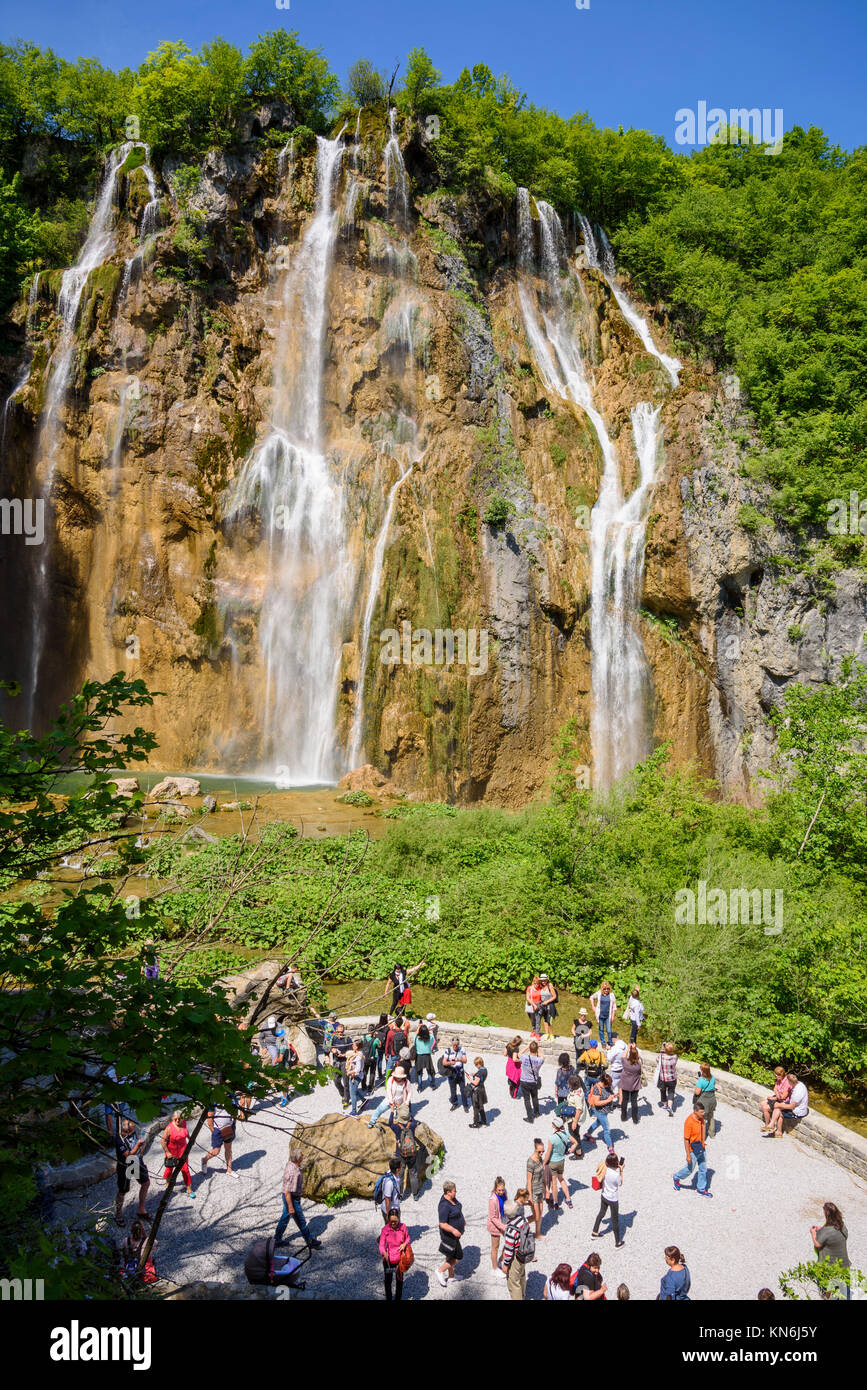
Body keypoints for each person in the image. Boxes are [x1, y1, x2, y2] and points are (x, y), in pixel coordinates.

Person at [275, 1146, 321, 1248]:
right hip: (291, 1199)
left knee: (285, 1218)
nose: (303, 1156)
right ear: (298, 1158)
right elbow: (287, 1192)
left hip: (291, 1197)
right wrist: (291, 1206)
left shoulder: (291, 1164)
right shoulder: (293, 1172)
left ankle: (277, 1240)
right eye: (302, 1155)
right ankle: (309, 1241)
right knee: (300, 1220)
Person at [672, 1101, 712, 1197]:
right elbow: (686, 1140)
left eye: (703, 1112)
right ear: (695, 1111)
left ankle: (701, 1189)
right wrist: (688, 1155)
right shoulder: (689, 1122)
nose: (703, 1114)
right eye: (701, 1112)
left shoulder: (701, 1119)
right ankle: (676, 1177)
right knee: (689, 1170)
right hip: (693, 1150)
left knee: (703, 1169)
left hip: (701, 1148)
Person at [115, 1116, 150, 1226]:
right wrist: (138, 1146)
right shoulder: (119, 1140)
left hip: (137, 1162)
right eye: (133, 1128)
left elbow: (136, 1145)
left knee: (146, 1183)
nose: (135, 1130)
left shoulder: (133, 1133)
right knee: (123, 1191)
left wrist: (140, 1148)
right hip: (125, 1166)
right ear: (127, 1130)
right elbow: (128, 1155)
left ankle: (141, 1209)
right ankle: (118, 1214)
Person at [500, 1199, 531, 1300]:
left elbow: (509, 1251)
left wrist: (505, 1265)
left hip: (516, 1258)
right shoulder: (524, 1220)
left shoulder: (511, 1230)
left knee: (513, 1283)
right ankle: (523, 1296)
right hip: (524, 1253)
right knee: (521, 1275)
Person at [592, 1151, 625, 1247]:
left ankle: (594, 1232)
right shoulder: (615, 1175)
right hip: (613, 1198)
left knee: (601, 1213)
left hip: (604, 1195)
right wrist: (621, 1170)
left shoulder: (605, 1169)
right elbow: (620, 1183)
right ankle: (618, 1242)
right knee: (615, 1220)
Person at [811, 1203, 850, 1283]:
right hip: (843, 1264)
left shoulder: (826, 1231)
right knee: (840, 1287)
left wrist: (813, 1233)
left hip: (830, 1265)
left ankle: (827, 1295)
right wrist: (822, 1228)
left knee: (828, 1287)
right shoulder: (842, 1226)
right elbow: (841, 1234)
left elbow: (817, 1244)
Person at [436, 1180, 465, 1288]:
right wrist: (453, 1230)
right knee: (458, 1256)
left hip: (455, 1235)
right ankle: (440, 1271)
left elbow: (458, 1208)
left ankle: (451, 1276)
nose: (455, 1192)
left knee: (450, 1255)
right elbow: (442, 1224)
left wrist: (463, 1220)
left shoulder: (452, 1199)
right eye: (454, 1191)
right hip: (449, 1236)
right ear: (448, 1192)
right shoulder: (444, 1206)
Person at [160, 1111, 194, 1198]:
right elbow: (163, 1141)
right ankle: (168, 1182)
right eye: (176, 1119)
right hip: (172, 1152)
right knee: (169, 1169)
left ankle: (188, 1187)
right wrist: (167, 1152)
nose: (178, 1120)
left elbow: (186, 1133)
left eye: (180, 1118)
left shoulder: (184, 1123)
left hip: (183, 1151)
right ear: (173, 1119)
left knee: (185, 1169)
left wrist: (190, 1138)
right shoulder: (169, 1128)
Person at [379, 1207, 410, 1301]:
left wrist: (404, 1244)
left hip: (400, 1261)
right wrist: (383, 1252)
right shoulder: (385, 1230)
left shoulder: (403, 1227)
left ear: (399, 1219)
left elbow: (408, 1238)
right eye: (391, 1221)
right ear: (388, 1219)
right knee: (388, 1281)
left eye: (395, 1221)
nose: (393, 1223)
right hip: (388, 1261)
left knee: (399, 1281)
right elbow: (381, 1245)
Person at [544, 1119, 576, 1209]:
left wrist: (543, 1163)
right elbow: (575, 1143)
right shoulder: (566, 1134)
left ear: (555, 1126)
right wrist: (569, 1152)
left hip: (553, 1162)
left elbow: (548, 1153)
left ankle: (555, 1202)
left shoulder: (552, 1138)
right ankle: (568, 1200)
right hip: (561, 1160)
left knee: (554, 1183)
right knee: (561, 1179)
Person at [393, 1105, 424, 1199]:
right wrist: (409, 1115)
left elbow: (390, 1122)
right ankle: (415, 1195)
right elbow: (413, 1120)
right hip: (412, 1153)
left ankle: (401, 1194)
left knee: (400, 1175)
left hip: (401, 1154)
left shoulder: (396, 1127)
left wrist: (391, 1111)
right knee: (413, 1174)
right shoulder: (413, 1125)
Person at [202, 1102, 237, 1176]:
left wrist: (234, 1124)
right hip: (218, 1130)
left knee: (228, 1148)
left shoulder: (232, 1097)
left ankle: (229, 1170)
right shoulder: (215, 1099)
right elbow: (210, 1116)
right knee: (216, 1151)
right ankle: (204, 1160)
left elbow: (235, 1111)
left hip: (229, 1127)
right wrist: (213, 1130)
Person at [585, 1071, 616, 1149]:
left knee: (598, 1122)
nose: (609, 1086)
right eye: (608, 1085)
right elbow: (597, 1103)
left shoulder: (606, 1086)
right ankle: (610, 1147)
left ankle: (588, 1133)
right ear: (603, 1082)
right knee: (606, 1129)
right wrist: (608, 1100)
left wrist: (613, 1096)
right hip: (599, 1111)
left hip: (605, 1110)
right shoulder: (597, 1088)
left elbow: (608, 1094)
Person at [121, 1218, 157, 1284]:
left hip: (127, 1271)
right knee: (149, 1256)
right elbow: (155, 1243)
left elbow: (124, 1256)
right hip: (145, 1274)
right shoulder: (147, 1241)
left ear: (131, 1230)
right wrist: (145, 1235)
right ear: (142, 1230)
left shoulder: (125, 1241)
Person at [526, 1138, 548, 1240]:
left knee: (540, 1213)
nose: (542, 1153)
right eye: (539, 1151)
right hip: (533, 1191)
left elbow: (543, 1176)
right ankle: (520, 1224)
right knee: (536, 1216)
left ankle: (538, 1233)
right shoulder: (530, 1162)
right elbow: (529, 1180)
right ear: (535, 1150)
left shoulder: (540, 1159)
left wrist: (547, 1189)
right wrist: (530, 1195)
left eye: (543, 1151)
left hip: (540, 1189)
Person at [487, 1176, 509, 1278]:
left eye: (502, 1190)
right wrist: (503, 1227)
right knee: (495, 1247)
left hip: (504, 1220)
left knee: (509, 1241)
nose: (501, 1192)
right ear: (495, 1189)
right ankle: (494, 1269)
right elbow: (493, 1217)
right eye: (499, 1190)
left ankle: (501, 1260)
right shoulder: (492, 1200)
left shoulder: (505, 1193)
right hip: (495, 1225)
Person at [760, 1066, 793, 1130]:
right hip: (777, 1098)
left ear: (782, 1074)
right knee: (762, 1103)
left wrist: (774, 1098)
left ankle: (768, 1125)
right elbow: (775, 1088)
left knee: (765, 1107)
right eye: (776, 1074)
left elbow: (783, 1097)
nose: (776, 1076)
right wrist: (777, 1093)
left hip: (783, 1101)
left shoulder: (787, 1083)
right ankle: (768, 1124)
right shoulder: (779, 1079)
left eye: (778, 1075)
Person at [328, 1022, 352, 1107]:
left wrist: (344, 1055)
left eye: (342, 1032)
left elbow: (351, 1052)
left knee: (346, 1082)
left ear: (343, 1031)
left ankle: (347, 1100)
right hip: (336, 1062)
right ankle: (343, 1094)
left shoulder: (348, 1039)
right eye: (339, 1032)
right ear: (336, 1031)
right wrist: (332, 1050)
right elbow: (330, 1047)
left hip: (344, 1062)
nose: (340, 1033)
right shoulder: (334, 1038)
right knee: (336, 1081)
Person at [519, 1039, 544, 1122]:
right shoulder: (539, 1060)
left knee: (527, 1100)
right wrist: (538, 1047)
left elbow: (519, 1053)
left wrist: (527, 1046)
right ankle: (536, 1113)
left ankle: (530, 1118)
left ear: (529, 1049)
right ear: (536, 1050)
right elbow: (542, 1056)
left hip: (524, 1081)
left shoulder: (524, 1057)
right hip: (534, 1081)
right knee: (535, 1097)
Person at [443, 1038, 469, 1111]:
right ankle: (455, 1103)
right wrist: (450, 1063)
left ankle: (465, 1105)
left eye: (456, 1045)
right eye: (454, 1045)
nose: (455, 1046)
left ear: (458, 1044)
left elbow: (465, 1060)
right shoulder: (447, 1050)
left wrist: (459, 1059)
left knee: (463, 1090)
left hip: (460, 1073)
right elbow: (444, 1062)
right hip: (452, 1073)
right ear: (452, 1044)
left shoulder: (462, 1049)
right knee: (453, 1090)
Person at [566, 1074, 588, 1158]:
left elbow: (579, 1110)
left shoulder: (577, 1096)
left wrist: (574, 1122)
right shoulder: (579, 1090)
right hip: (572, 1115)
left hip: (575, 1118)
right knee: (575, 1134)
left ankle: (579, 1153)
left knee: (574, 1135)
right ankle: (577, 1149)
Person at [620, 1043, 642, 1126]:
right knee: (634, 1101)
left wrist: (628, 1048)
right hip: (635, 1085)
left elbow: (623, 1056)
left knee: (625, 1100)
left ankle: (623, 1116)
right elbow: (639, 1057)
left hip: (625, 1084)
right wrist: (635, 1048)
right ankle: (635, 1119)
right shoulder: (639, 1064)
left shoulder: (625, 1062)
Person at [376, 1157, 403, 1223]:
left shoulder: (390, 1173)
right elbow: (387, 1199)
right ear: (397, 1169)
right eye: (401, 1166)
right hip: (391, 1211)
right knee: (392, 1230)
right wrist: (388, 1215)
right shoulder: (389, 1183)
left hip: (395, 1207)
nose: (402, 1167)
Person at [590, 981, 617, 1047]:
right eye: (605, 989)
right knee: (601, 1029)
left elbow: (614, 1006)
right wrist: (593, 1006)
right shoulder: (599, 993)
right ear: (602, 988)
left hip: (608, 1015)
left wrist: (613, 1016)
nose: (606, 990)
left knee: (609, 1030)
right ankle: (603, 1042)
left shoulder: (611, 995)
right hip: (600, 1015)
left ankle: (610, 1042)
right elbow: (591, 997)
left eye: (608, 988)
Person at [694, 1063, 717, 1139]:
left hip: (704, 1101)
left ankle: (702, 1137)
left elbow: (697, 1092)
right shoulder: (713, 1077)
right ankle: (712, 1134)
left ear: (702, 1070)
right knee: (711, 1117)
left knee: (702, 1119)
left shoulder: (701, 1080)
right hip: (712, 1099)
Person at [656, 1042, 678, 1116]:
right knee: (671, 1092)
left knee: (663, 1091)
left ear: (665, 1049)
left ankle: (665, 1105)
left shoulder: (661, 1057)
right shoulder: (675, 1057)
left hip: (663, 1078)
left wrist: (662, 1049)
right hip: (672, 1078)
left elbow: (657, 1060)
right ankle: (670, 1107)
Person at [412, 1021, 435, 1090]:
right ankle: (432, 1084)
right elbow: (433, 1038)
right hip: (427, 1056)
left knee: (419, 1071)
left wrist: (419, 1027)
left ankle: (420, 1086)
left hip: (419, 1056)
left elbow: (416, 1034)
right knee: (429, 1070)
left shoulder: (416, 1038)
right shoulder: (430, 1037)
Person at [346, 1039, 366, 1116]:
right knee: (354, 1090)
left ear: (357, 1047)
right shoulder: (357, 1053)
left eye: (353, 1045)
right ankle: (364, 1100)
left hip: (356, 1076)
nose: (352, 1046)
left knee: (352, 1094)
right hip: (356, 1076)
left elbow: (357, 1069)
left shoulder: (358, 1057)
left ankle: (354, 1111)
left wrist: (349, 1072)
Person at [468, 1056, 489, 1128]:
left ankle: (475, 1123)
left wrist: (469, 1078)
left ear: (479, 1064)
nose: (476, 1066)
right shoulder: (484, 1070)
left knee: (476, 1107)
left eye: (476, 1064)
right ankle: (484, 1122)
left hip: (477, 1091)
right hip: (482, 1089)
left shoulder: (479, 1073)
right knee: (481, 1106)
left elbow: (475, 1083)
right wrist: (475, 1074)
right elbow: (481, 1078)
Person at [606, 1032, 628, 1098]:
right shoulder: (624, 1045)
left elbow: (609, 1058)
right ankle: (620, 1103)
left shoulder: (615, 1048)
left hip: (615, 1069)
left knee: (610, 1087)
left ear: (613, 1039)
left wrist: (608, 1050)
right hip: (623, 1068)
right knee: (620, 1086)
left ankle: (608, 1102)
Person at [373, 1013, 389, 1082]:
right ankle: (388, 1074)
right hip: (385, 1046)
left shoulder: (377, 1026)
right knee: (387, 1061)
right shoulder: (387, 1027)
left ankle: (380, 1074)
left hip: (379, 1046)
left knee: (379, 1060)